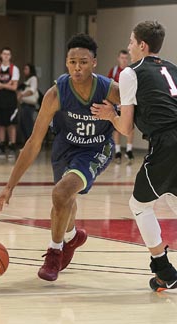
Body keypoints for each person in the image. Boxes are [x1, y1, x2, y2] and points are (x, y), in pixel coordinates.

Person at [0, 33, 120, 281]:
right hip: (65, 147)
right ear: (66, 62)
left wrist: (113, 116)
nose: (77, 67)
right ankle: (73, 237)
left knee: (61, 193)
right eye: (72, 62)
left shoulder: (110, 90)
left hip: (95, 148)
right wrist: (9, 186)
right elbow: (33, 142)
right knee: (64, 201)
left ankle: (55, 251)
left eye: (83, 62)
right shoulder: (56, 94)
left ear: (94, 63)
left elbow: (130, 123)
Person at [91, 21, 177, 292]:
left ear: (142, 45)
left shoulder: (131, 73)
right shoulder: (173, 68)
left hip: (167, 143)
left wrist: (110, 115)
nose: (128, 48)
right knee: (173, 199)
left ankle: (163, 269)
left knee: (139, 204)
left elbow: (126, 127)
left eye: (130, 42)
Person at [0, 47, 20, 159]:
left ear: (10, 56)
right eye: (4, 54)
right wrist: (8, 84)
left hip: (10, 99)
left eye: (8, 54)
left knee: (11, 123)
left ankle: (12, 144)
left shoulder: (14, 69)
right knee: (0, 123)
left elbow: (14, 87)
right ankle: (1, 143)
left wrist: (1, 84)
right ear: (1, 55)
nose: (6, 56)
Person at [108, 50, 134, 164]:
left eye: (125, 58)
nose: (124, 60)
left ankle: (129, 150)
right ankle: (117, 152)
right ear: (118, 59)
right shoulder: (114, 71)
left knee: (130, 127)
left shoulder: (131, 71)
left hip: (127, 103)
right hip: (117, 104)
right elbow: (109, 87)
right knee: (116, 127)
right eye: (122, 58)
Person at [17, 63, 38, 142]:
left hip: (29, 105)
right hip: (24, 105)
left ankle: (30, 144)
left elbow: (32, 90)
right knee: (23, 125)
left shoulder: (33, 78)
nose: (24, 71)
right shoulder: (26, 80)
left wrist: (21, 95)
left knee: (27, 125)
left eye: (26, 69)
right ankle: (27, 143)